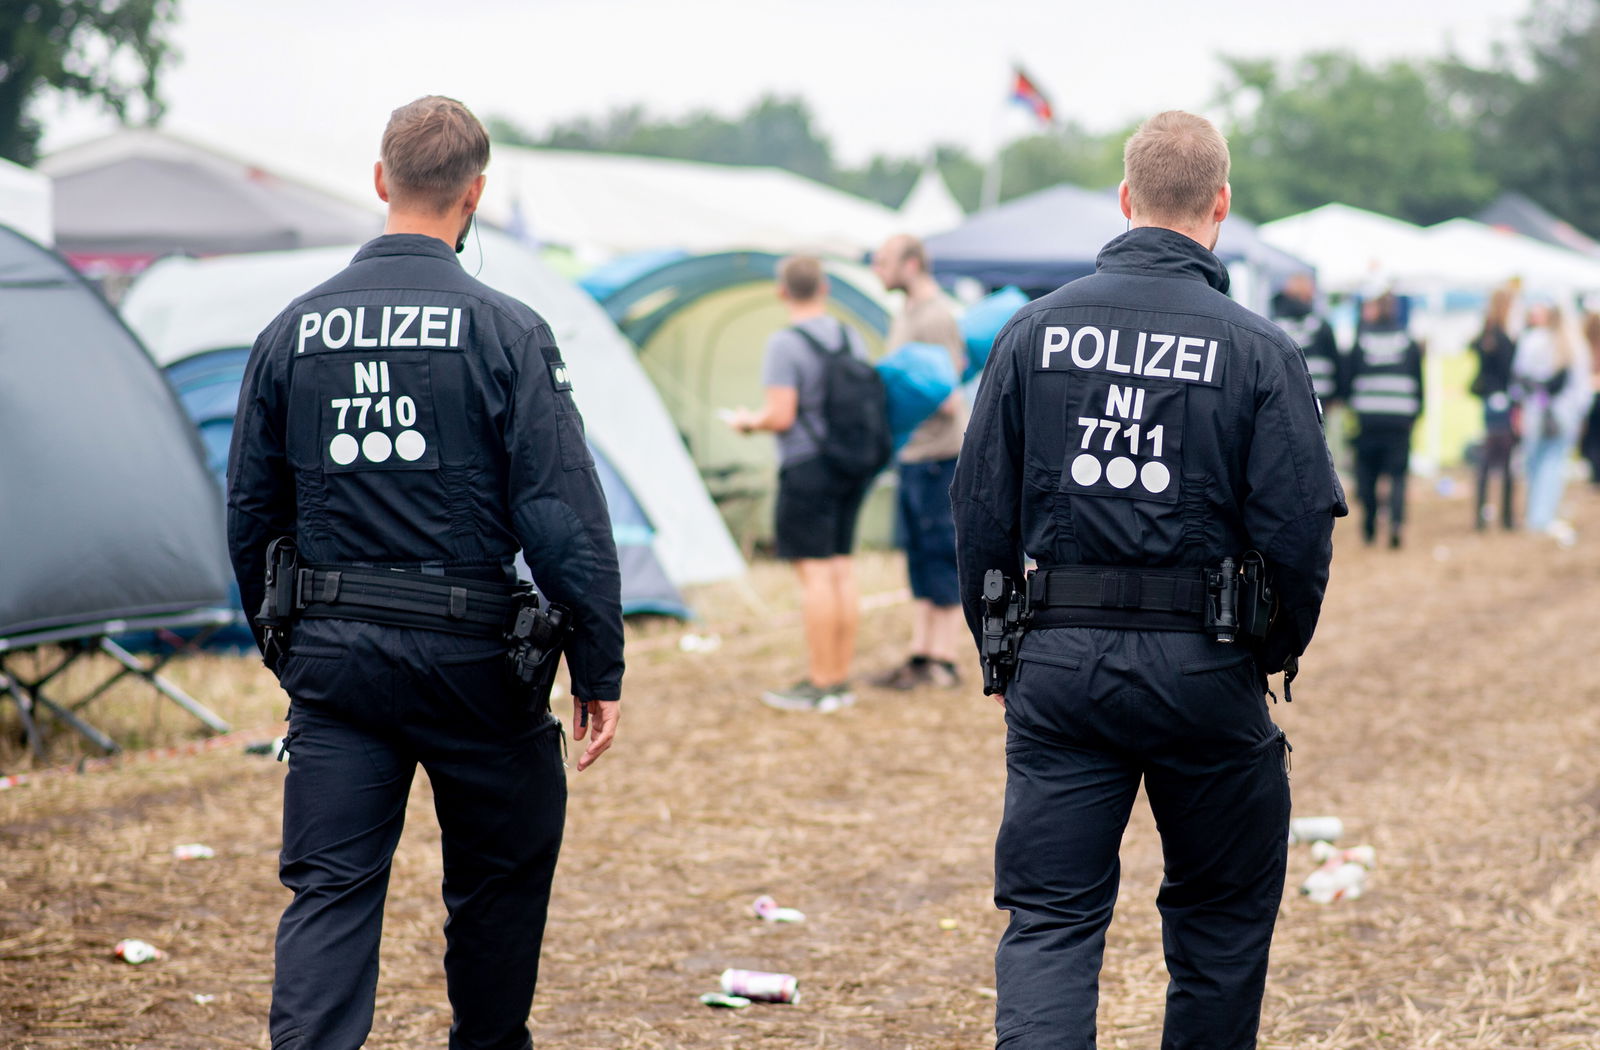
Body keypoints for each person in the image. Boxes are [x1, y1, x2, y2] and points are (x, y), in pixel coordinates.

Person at [227, 96, 624, 1050]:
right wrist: (598, 668)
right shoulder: (506, 329)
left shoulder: (292, 330)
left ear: (379, 182)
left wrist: (290, 653)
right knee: (498, 880)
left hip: (337, 669)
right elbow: (560, 516)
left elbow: (249, 512)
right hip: (476, 670)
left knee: (328, 894)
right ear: (475, 194)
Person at [951, 110, 1344, 1050]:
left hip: (1061, 664)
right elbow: (1298, 532)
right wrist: (1267, 650)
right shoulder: (1258, 349)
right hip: (1207, 668)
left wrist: (1003, 653)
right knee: (1218, 926)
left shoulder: (1032, 331)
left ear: (1125, 201)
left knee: (1050, 922)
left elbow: (978, 510)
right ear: (1221, 205)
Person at [728, 255, 873, 712]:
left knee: (814, 575)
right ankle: (840, 677)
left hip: (807, 467)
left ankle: (819, 681)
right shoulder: (852, 337)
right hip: (851, 466)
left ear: (782, 292)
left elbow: (782, 414)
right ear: (825, 287)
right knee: (841, 570)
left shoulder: (785, 344)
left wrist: (748, 423)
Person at [868, 233, 969, 689]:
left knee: (939, 556)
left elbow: (946, 393)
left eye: (884, 261)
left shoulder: (937, 315)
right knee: (917, 558)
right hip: (912, 455)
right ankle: (921, 653)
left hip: (938, 457)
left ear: (911, 264)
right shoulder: (905, 313)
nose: (877, 269)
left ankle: (944, 660)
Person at [1344, 292, 1423, 548]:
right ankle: (1396, 523)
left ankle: (1370, 522)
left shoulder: (1362, 340)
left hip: (1369, 419)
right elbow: (1418, 381)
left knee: (1367, 474)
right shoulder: (1407, 340)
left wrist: (1351, 403)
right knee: (1398, 475)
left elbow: (1348, 378)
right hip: (1400, 419)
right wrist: (1416, 412)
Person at [1514, 302, 1592, 544]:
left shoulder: (1533, 340)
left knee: (1536, 464)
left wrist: (1526, 403)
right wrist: (1580, 413)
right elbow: (1581, 386)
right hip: (1561, 412)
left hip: (1537, 410)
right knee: (1553, 464)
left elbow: (1519, 378)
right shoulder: (1574, 344)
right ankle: (1542, 516)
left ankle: (1534, 516)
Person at [1470, 284, 1520, 530]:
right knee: (1499, 459)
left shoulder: (1488, 334)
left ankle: (1487, 515)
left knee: (1490, 460)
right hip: (1500, 402)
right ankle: (1504, 517)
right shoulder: (1499, 336)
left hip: (1492, 401)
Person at [1270, 272, 1341, 414]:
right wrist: (1337, 395)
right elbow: (1337, 362)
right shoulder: (1322, 325)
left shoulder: (1273, 325)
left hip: (1285, 397)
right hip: (1320, 397)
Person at [1580, 310, 1600, 485]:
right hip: (1591, 395)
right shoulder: (1584, 346)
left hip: (1589, 396)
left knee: (1592, 437)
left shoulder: (1583, 345)